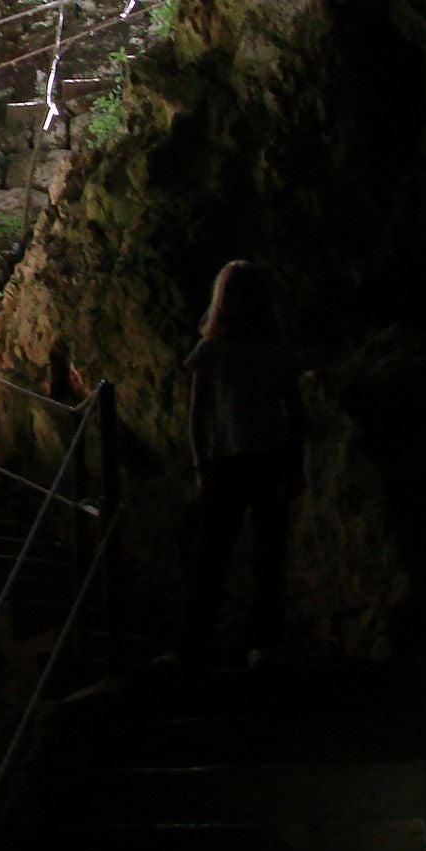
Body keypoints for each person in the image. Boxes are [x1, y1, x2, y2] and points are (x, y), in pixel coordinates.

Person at [176, 258, 304, 667]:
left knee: (265, 556)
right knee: (214, 556)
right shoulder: (212, 350)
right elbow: (197, 415)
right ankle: (198, 642)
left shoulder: (273, 350)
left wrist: (295, 465)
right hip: (229, 461)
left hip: (267, 458)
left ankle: (260, 641)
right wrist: (201, 466)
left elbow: (294, 411)